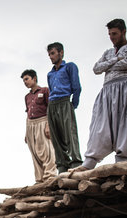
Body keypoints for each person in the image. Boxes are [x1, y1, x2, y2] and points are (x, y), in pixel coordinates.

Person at [74, 18, 127, 171]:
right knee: (99, 124)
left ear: (123, 32)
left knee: (124, 122)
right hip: (107, 90)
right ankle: (89, 162)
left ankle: (122, 161)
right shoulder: (109, 52)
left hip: (124, 86)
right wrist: (116, 59)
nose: (112, 37)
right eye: (110, 34)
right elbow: (97, 68)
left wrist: (110, 65)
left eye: (115, 34)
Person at [46, 42, 83, 173]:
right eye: (49, 54)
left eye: (53, 53)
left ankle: (76, 163)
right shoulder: (50, 74)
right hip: (52, 105)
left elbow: (77, 87)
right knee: (56, 137)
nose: (50, 56)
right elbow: (51, 91)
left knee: (70, 134)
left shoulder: (69, 67)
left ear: (61, 53)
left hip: (65, 102)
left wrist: (73, 104)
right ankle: (62, 165)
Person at [21, 69, 58, 183]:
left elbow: (50, 109)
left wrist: (48, 125)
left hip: (42, 121)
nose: (25, 82)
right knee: (35, 152)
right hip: (31, 124)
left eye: (26, 79)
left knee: (46, 150)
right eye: (23, 80)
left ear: (34, 78)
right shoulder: (27, 97)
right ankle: (39, 179)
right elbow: (28, 113)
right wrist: (26, 132)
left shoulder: (45, 90)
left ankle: (50, 176)